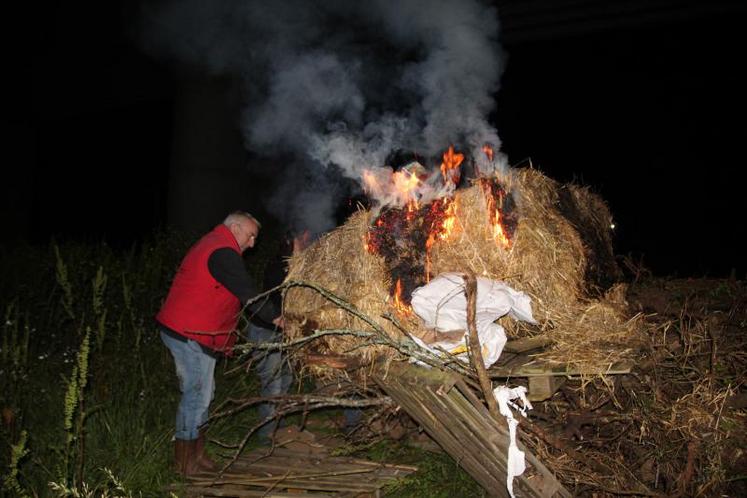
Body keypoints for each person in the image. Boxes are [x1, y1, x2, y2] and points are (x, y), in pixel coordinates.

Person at [156, 211, 282, 476]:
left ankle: (197, 455)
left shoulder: (216, 245)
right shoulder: (222, 251)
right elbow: (249, 294)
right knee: (196, 395)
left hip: (197, 333)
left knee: (204, 394)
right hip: (188, 333)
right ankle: (185, 463)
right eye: (251, 236)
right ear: (235, 228)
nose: (252, 243)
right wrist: (279, 318)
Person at [246, 232, 294, 440]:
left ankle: (279, 424)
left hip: (283, 331)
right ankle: (267, 434)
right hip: (266, 330)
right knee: (272, 381)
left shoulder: (293, 264)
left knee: (286, 377)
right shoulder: (279, 266)